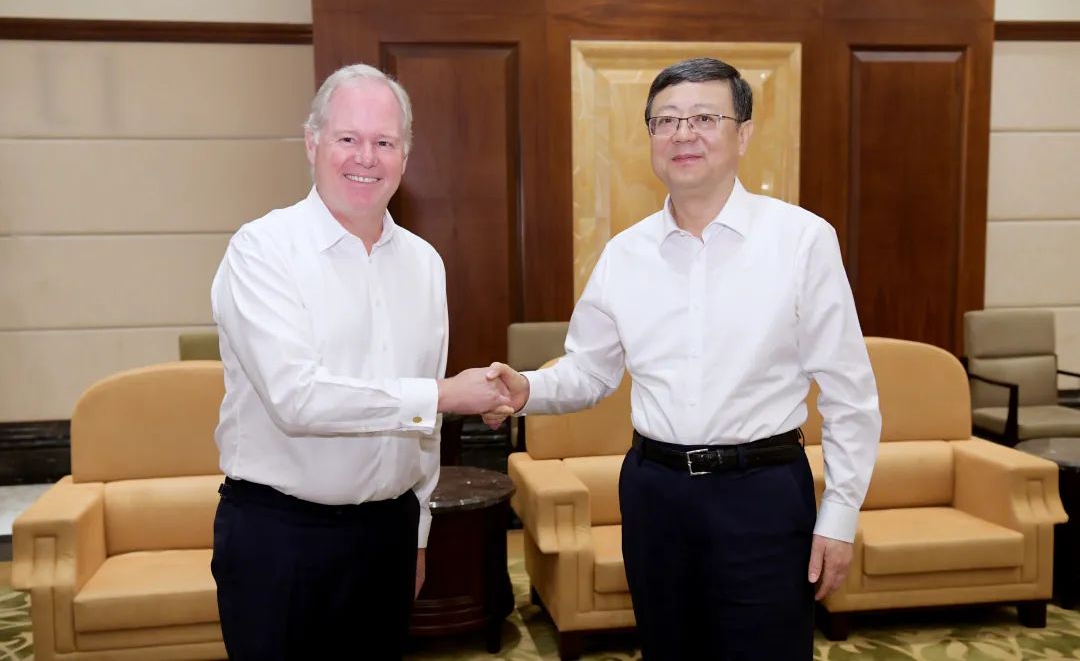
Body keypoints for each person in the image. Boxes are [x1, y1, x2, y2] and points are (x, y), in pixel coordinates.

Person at [484, 57, 881, 660]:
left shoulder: (802, 241)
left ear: (743, 134)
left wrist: (840, 515)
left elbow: (850, 393)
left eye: (704, 118)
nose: (683, 134)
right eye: (665, 120)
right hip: (657, 494)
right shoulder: (625, 254)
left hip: (763, 493)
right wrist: (527, 389)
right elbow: (590, 370)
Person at [210, 63, 513, 660]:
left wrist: (418, 537)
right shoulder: (262, 250)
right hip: (281, 538)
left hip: (388, 537)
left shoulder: (425, 263)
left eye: (384, 142)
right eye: (348, 138)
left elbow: (422, 430)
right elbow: (297, 399)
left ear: (405, 155)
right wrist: (445, 394)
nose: (365, 158)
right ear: (312, 142)